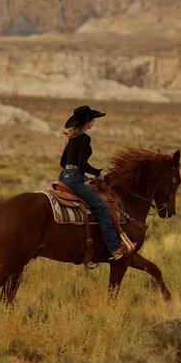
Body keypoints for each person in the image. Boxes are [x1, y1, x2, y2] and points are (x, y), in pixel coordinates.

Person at [59, 105, 128, 261]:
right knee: (101, 208)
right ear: (87, 122)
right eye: (92, 119)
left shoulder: (71, 139)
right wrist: (98, 173)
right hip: (74, 179)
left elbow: (63, 162)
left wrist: (77, 173)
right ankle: (115, 249)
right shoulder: (85, 139)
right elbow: (82, 164)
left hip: (64, 177)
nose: (94, 122)